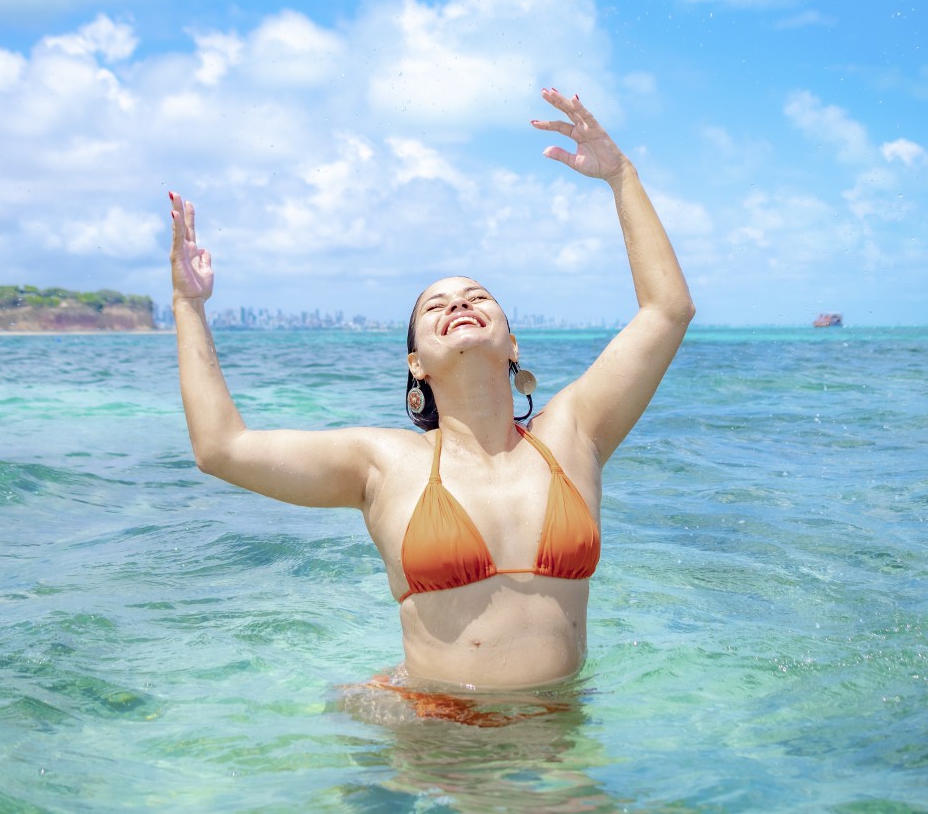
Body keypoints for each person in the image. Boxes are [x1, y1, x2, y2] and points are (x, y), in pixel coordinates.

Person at [169, 88, 693, 694]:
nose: (460, 305)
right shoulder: (385, 462)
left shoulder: (574, 432)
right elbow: (220, 449)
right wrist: (189, 305)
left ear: (512, 344)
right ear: (416, 363)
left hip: (554, 727)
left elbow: (667, 310)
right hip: (429, 727)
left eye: (476, 297)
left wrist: (620, 177)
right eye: (436, 305)